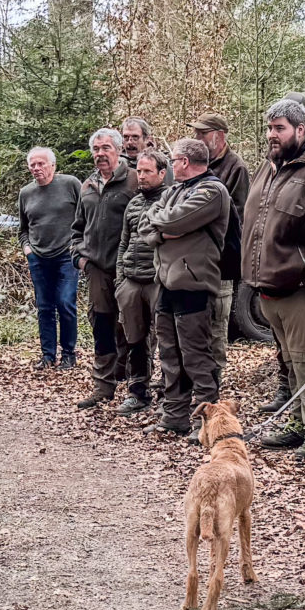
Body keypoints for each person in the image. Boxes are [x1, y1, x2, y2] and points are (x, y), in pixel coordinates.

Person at [241, 97, 305, 454]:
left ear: (301, 128)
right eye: (269, 128)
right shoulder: (269, 165)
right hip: (268, 286)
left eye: (280, 128)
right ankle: (298, 423)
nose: (272, 134)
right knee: (289, 361)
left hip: (300, 287)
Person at [138, 138, 234, 440]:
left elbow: (175, 220)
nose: (171, 166)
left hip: (194, 283)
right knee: (169, 354)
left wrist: (165, 225)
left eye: (173, 160)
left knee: (196, 356)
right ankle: (175, 415)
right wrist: (164, 231)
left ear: (184, 162)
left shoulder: (212, 191)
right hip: (166, 282)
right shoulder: (174, 191)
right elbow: (145, 227)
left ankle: (205, 423)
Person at [75, 130, 134, 406]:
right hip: (97, 268)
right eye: (96, 149)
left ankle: (136, 387)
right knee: (101, 325)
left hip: (129, 269)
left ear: (119, 150)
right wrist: (80, 258)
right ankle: (103, 386)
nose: (100, 153)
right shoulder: (88, 185)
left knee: (132, 327)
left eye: (106, 148)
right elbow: (77, 228)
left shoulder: (134, 181)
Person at [195, 115, 260, 359]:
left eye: (203, 134)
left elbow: (238, 216)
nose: (198, 138)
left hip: (220, 255)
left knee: (218, 321)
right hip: (196, 255)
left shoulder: (236, 167)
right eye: (197, 134)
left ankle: (215, 371)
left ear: (219, 135)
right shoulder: (200, 163)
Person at [111, 150, 168, 414]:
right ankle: (138, 392)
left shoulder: (170, 200)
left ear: (162, 173)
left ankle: (169, 395)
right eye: (139, 171)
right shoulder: (133, 203)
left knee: (167, 341)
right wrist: (120, 279)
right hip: (131, 281)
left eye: (147, 171)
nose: (141, 176)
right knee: (134, 341)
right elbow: (124, 242)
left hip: (157, 281)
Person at [19, 145, 84, 370]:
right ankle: (48, 356)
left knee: (65, 302)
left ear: (53, 165)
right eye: (33, 165)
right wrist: (27, 249)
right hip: (38, 257)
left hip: (67, 255)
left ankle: (69, 354)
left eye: (41, 163)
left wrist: (79, 247)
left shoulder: (70, 184)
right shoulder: (26, 193)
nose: (37, 168)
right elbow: (23, 229)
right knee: (45, 307)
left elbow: (85, 217)